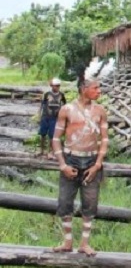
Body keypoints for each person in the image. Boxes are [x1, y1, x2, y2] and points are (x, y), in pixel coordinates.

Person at [51, 78, 109, 257]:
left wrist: (98, 164)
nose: (99, 91)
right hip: (71, 160)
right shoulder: (66, 109)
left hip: (91, 162)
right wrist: (63, 165)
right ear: (84, 89)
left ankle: (84, 243)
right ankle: (67, 242)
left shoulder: (100, 111)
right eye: (95, 88)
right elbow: (55, 139)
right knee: (65, 202)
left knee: (90, 203)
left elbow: (105, 139)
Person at [39, 78, 66, 159]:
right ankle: (41, 150)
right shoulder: (47, 94)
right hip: (45, 116)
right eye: (55, 86)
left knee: (52, 135)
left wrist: (63, 116)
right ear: (52, 86)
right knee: (42, 134)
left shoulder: (61, 95)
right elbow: (42, 104)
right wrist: (39, 114)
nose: (57, 87)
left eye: (58, 86)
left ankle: (50, 152)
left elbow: (64, 105)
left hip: (54, 118)